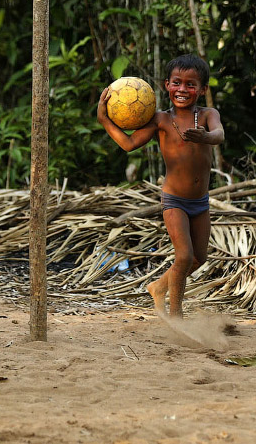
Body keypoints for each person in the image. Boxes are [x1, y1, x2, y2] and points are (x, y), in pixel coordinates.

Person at [97, 54, 224, 319]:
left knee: (200, 258)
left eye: (191, 85)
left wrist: (206, 137)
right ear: (167, 85)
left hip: (200, 202)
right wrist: (104, 120)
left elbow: (219, 134)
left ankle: (158, 287)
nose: (182, 89)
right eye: (177, 83)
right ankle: (176, 316)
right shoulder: (161, 120)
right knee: (185, 257)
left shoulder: (209, 115)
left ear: (203, 89)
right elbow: (128, 144)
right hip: (174, 200)